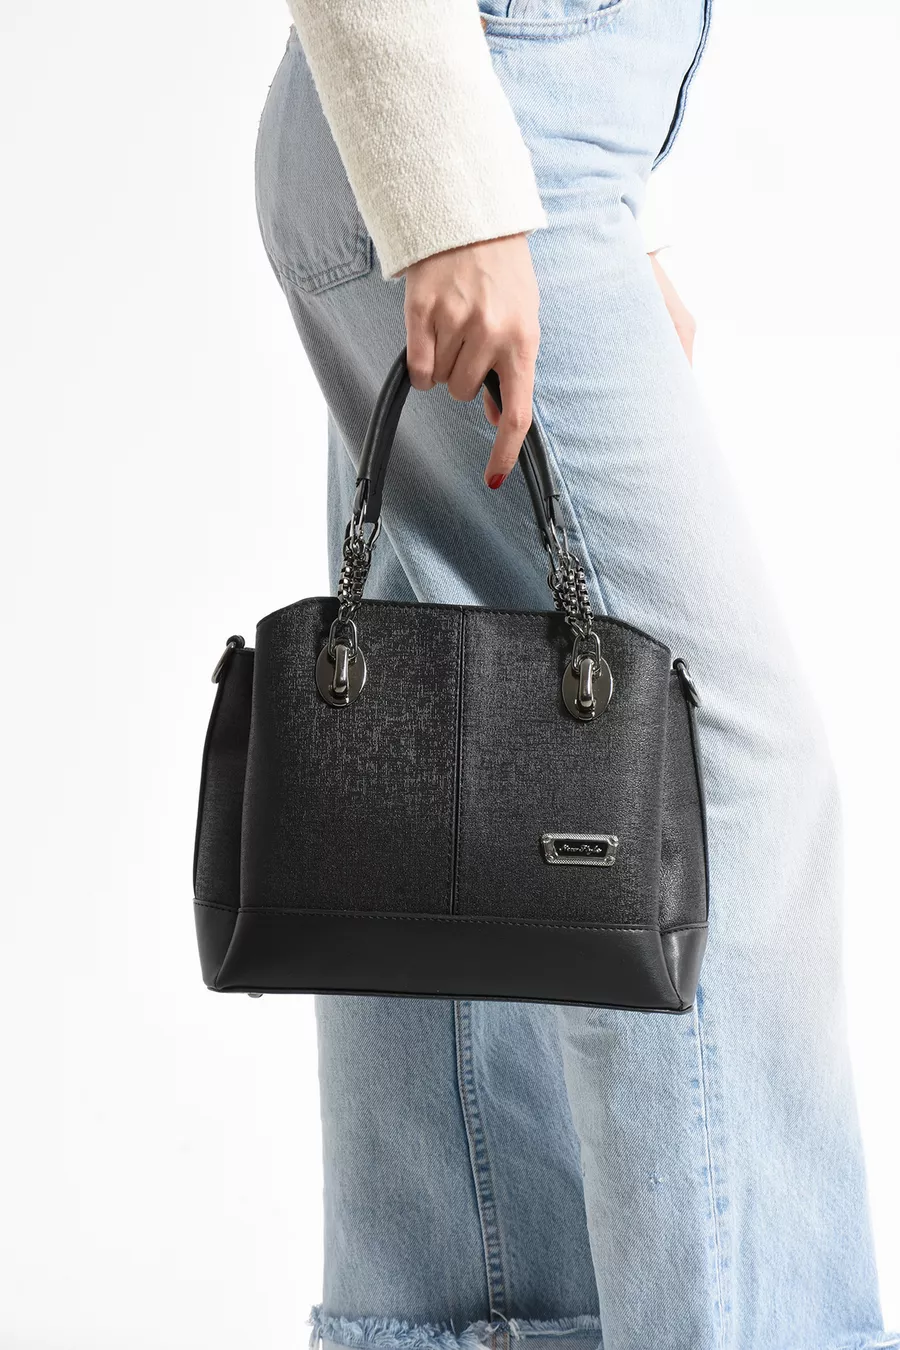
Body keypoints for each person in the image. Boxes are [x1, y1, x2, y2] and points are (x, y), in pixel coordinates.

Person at [253, 3, 898, 1348]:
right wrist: (453, 190)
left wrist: (611, 208)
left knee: (465, 786)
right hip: (486, 121)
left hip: (513, 133)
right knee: (701, 790)